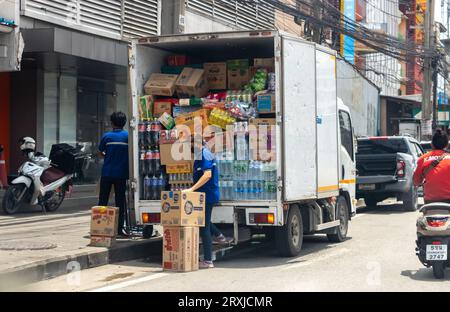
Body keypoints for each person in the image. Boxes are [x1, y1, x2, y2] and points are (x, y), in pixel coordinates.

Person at [182, 136, 230, 269]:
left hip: (207, 195)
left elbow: (207, 175)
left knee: (204, 226)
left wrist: (191, 189)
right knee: (203, 220)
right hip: (203, 195)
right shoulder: (200, 155)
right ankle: (219, 235)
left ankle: (208, 260)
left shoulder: (204, 154)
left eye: (190, 145)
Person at [98, 112, 129, 237]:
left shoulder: (107, 136)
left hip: (107, 173)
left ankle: (100, 227)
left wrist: (107, 156)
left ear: (112, 123)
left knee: (103, 201)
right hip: (121, 174)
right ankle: (119, 229)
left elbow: (100, 153)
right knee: (120, 202)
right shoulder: (128, 137)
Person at [413, 129, 450, 204]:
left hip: (429, 201)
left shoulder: (423, 159)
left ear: (432, 144)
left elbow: (416, 182)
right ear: (447, 145)